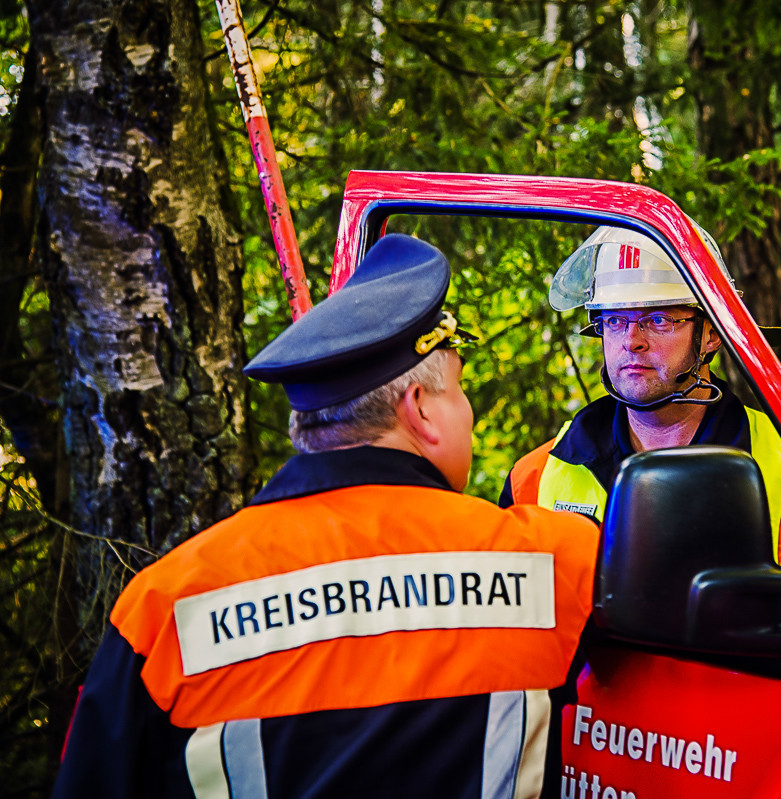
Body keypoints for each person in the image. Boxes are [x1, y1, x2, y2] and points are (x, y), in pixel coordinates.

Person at [52, 234, 600, 799]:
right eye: (459, 389)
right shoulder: (554, 562)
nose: (470, 412)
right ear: (418, 409)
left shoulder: (165, 607)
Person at [500, 225, 781, 563]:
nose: (632, 341)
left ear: (711, 334)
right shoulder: (533, 480)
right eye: (615, 321)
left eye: (658, 320)